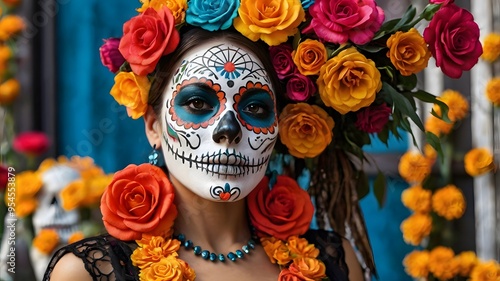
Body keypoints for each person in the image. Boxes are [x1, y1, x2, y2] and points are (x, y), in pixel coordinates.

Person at [42, 1, 385, 280]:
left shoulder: (334, 266)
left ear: (280, 127)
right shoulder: (89, 274)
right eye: (197, 103)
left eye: (255, 107)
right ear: (153, 126)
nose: (229, 129)